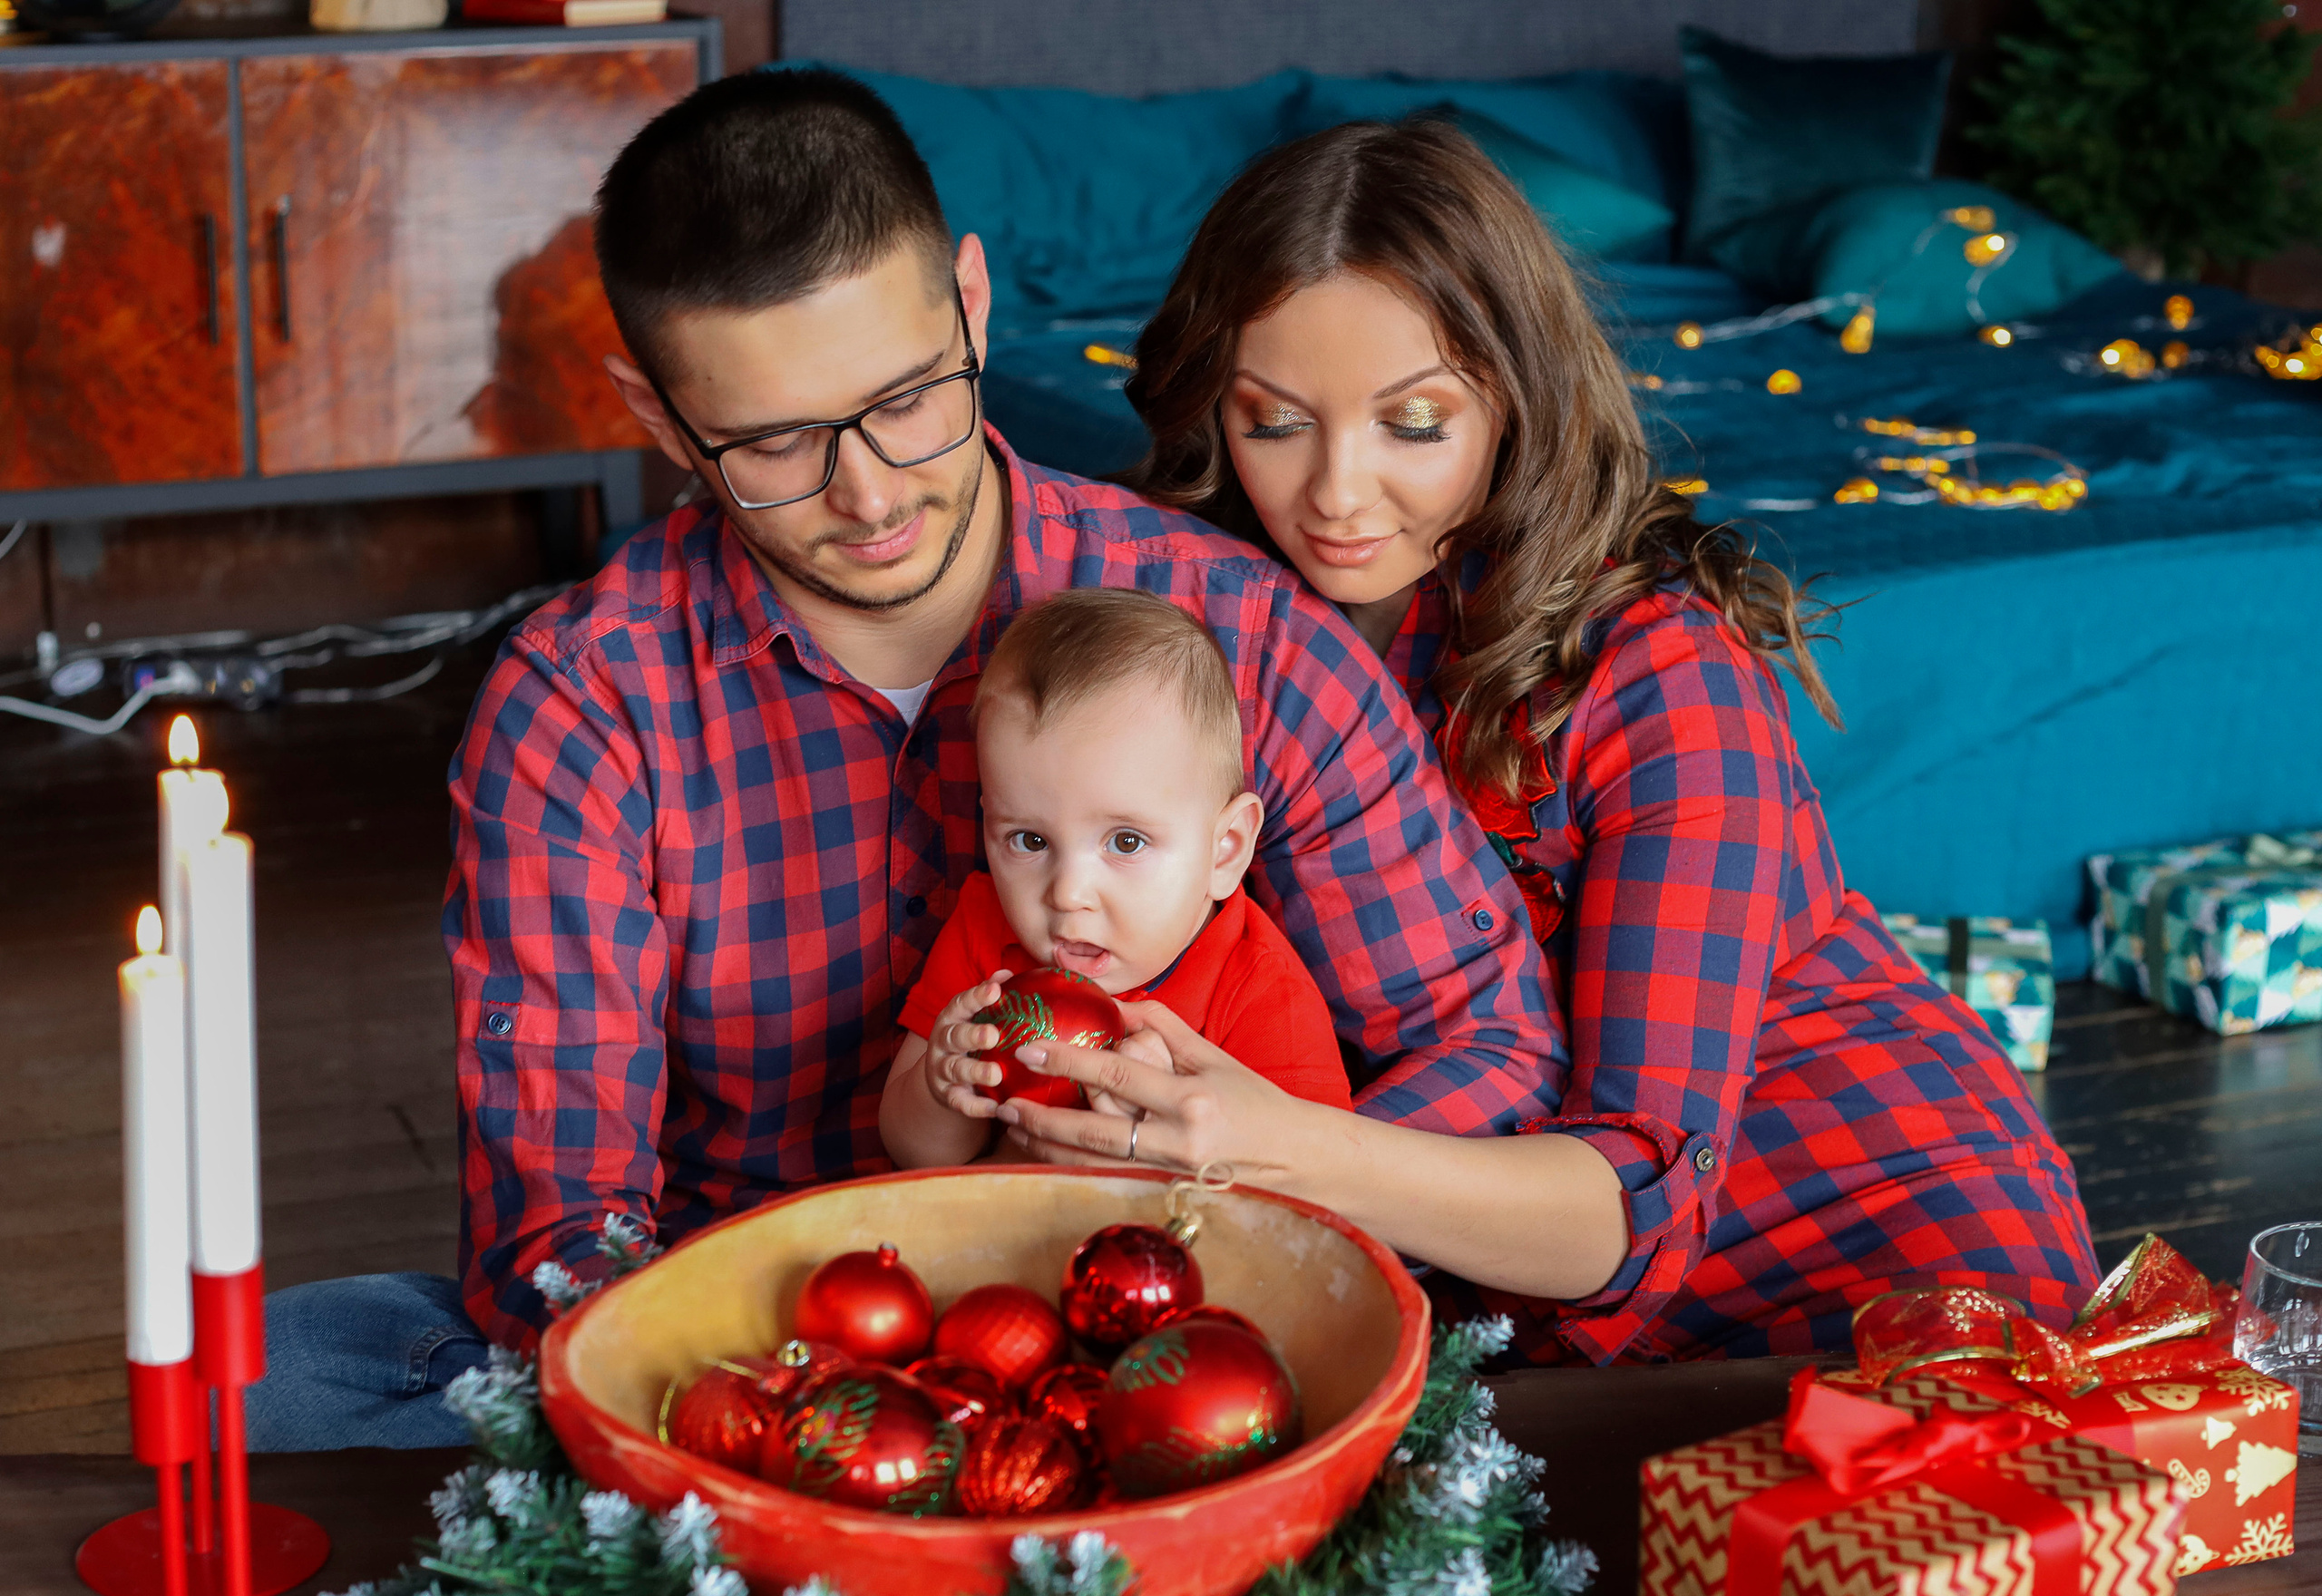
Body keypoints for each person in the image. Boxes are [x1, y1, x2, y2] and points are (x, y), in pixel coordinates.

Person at [244, 75, 1558, 1447]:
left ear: (973, 306)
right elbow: (563, 1233)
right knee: (276, 1381)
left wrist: (1250, 1219)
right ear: (657, 414)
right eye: (774, 444)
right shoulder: (582, 710)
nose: (868, 494)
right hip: (761, 1350)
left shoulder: (1237, 636)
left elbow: (1490, 1045)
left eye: (908, 399)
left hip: (1169, 1340)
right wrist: (790, 1415)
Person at [996, 118, 2099, 1361]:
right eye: (1274, 421)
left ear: (1517, 401)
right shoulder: (1198, 642)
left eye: (1415, 425)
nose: (1338, 493)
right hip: (1457, 1269)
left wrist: (1279, 1151)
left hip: (1877, 1247)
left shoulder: (1657, 675)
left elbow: (1632, 1203)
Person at [883, 587, 1352, 1171]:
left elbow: (1313, 1196)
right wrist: (942, 1090)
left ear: (1225, 850)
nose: (1067, 894)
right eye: (1030, 841)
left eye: (1125, 842)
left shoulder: (1261, 993)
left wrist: (1163, 1154)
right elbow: (915, 1157)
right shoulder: (986, 937)